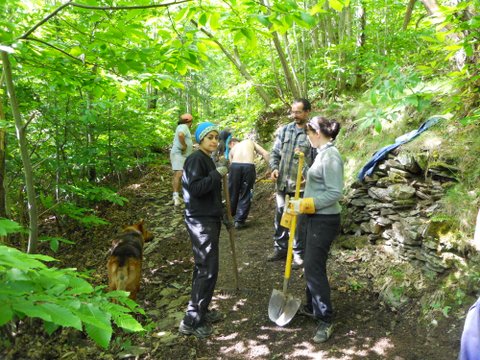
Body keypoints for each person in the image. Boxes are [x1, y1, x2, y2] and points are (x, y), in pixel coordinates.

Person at [289, 116, 343, 343]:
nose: (308, 136)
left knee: (313, 267)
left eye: (309, 132)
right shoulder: (322, 154)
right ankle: (312, 306)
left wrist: (305, 204)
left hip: (325, 219)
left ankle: (325, 320)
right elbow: (321, 184)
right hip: (314, 218)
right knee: (310, 264)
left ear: (317, 133)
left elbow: (335, 193)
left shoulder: (331, 155)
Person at [178, 122, 228, 338]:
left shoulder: (207, 159)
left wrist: (223, 213)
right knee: (207, 269)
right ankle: (191, 321)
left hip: (208, 218)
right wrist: (217, 174)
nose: (215, 141)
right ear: (200, 140)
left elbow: (212, 194)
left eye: (216, 137)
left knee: (204, 268)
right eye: (210, 137)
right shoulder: (195, 159)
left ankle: (202, 310)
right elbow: (196, 189)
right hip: (200, 221)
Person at [268, 98, 314, 268]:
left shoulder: (312, 134)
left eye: (298, 112)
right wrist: (274, 168)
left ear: (308, 112)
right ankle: (280, 249)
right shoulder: (285, 130)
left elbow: (316, 161)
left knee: (299, 221)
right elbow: (275, 152)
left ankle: (298, 254)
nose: (295, 115)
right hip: (282, 184)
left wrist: (307, 175)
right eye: (293, 112)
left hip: (300, 187)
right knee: (281, 215)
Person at [227, 137, 270, 229]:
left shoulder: (232, 150)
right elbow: (265, 153)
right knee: (246, 193)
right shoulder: (250, 142)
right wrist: (270, 169)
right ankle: (239, 221)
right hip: (248, 167)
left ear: (232, 143)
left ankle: (229, 216)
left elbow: (231, 165)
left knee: (232, 192)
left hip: (234, 167)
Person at [170, 113, 194, 206]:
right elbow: (180, 135)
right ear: (190, 122)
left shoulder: (182, 126)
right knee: (179, 173)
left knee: (180, 174)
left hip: (182, 155)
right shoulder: (183, 126)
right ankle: (176, 197)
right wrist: (184, 145)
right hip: (178, 154)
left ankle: (178, 195)